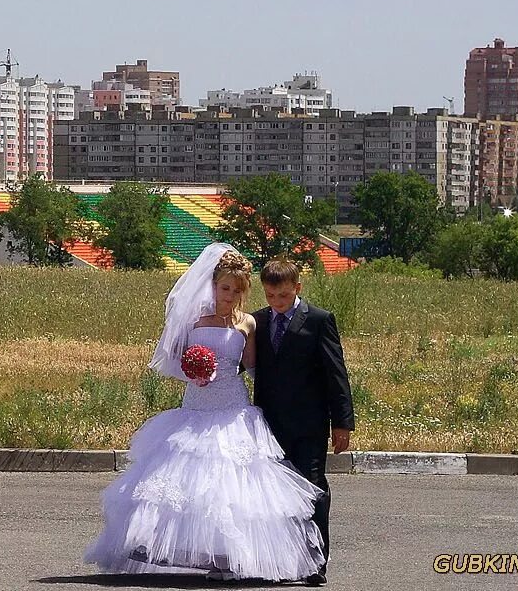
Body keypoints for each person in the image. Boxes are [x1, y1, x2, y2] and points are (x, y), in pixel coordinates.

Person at [85, 243, 326, 582]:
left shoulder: (248, 324)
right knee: (189, 478)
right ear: (214, 285)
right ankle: (187, 551)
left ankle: (231, 556)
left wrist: (289, 392)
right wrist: (193, 372)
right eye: (225, 287)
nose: (230, 294)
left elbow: (253, 367)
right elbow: (172, 357)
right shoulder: (195, 319)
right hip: (197, 404)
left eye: (237, 289)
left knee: (232, 483)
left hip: (232, 405)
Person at [253, 257, 355, 587]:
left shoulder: (319, 320)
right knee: (274, 494)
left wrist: (342, 422)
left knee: (312, 489)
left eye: (282, 296)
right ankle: (281, 558)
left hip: (309, 425)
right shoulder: (258, 321)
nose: (276, 303)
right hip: (269, 425)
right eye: (270, 296)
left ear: (297, 288)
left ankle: (315, 560)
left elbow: (335, 374)